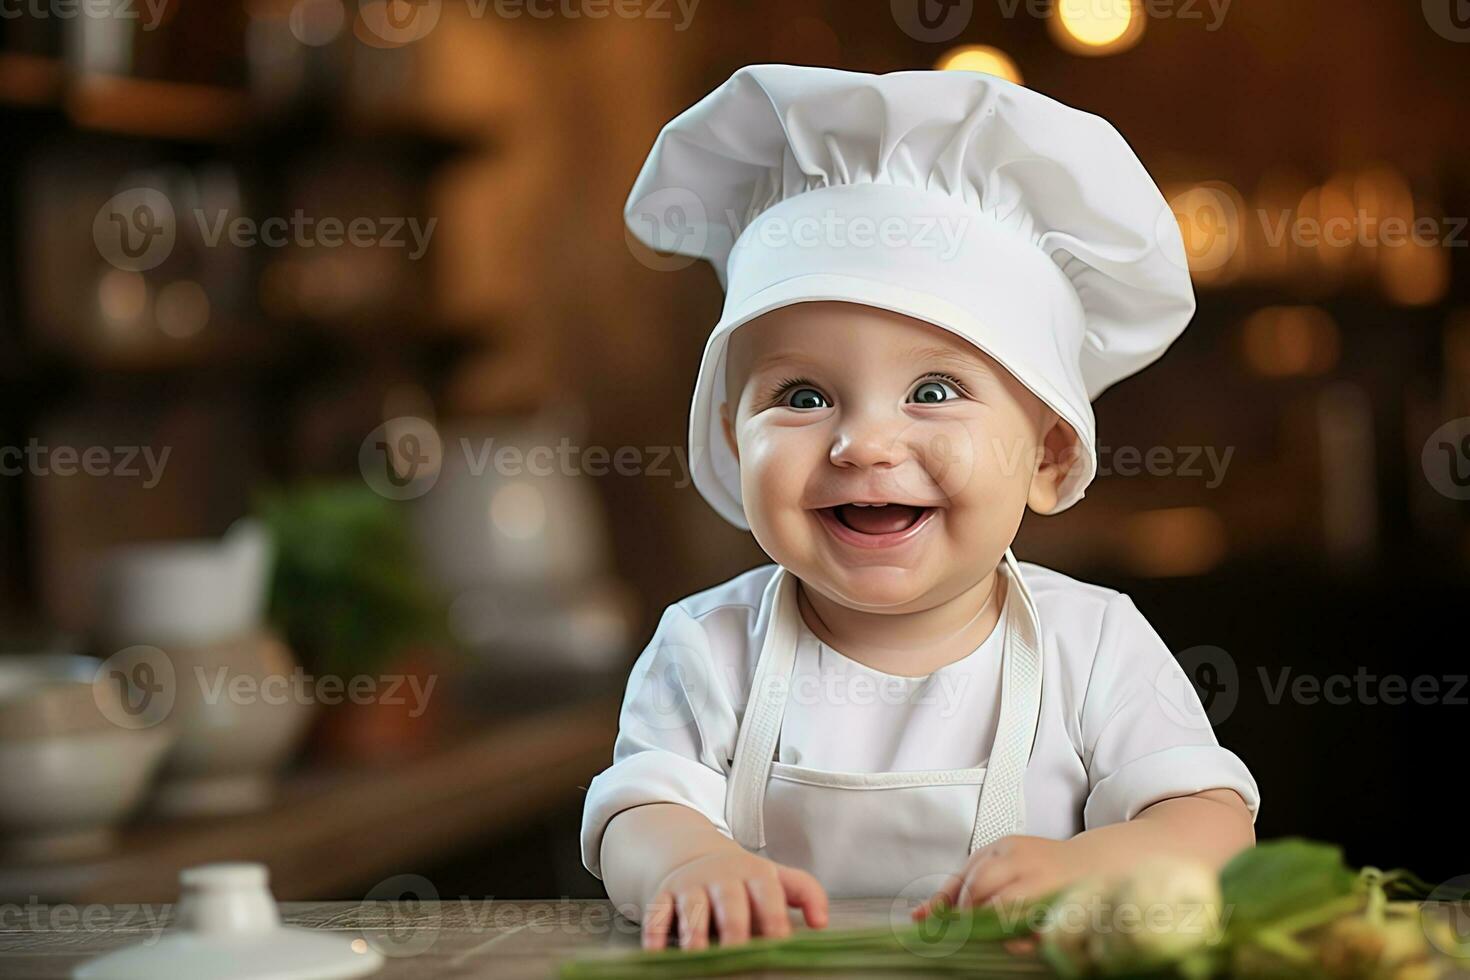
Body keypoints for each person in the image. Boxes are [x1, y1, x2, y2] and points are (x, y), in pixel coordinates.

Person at [581, 64, 1259, 951]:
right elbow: (639, 810)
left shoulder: (1093, 644)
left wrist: (1111, 861)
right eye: (804, 396)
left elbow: (1212, 822)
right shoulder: (707, 649)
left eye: (935, 389)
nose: (862, 444)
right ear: (733, 436)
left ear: (1050, 456)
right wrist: (684, 864)